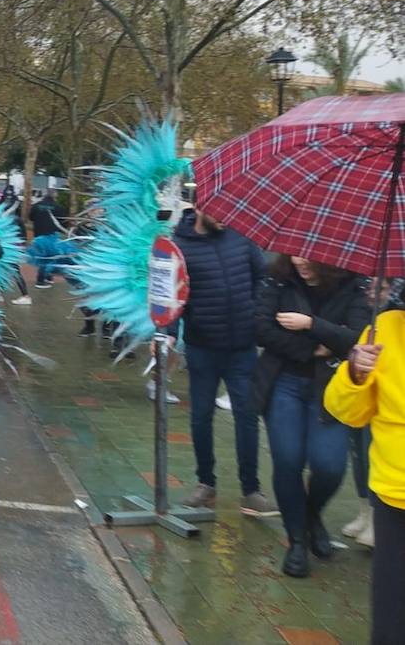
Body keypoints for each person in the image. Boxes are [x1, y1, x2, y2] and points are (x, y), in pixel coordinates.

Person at [254, 255, 371, 577]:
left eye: (309, 258)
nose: (300, 261)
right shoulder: (278, 278)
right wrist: (314, 348)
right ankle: (297, 541)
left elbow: (358, 339)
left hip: (331, 387)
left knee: (330, 466)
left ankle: (309, 515)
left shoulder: (353, 285)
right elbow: (261, 329)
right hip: (283, 383)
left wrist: (310, 324)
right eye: (295, 254)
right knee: (288, 460)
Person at [173, 207, 277, 516]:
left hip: (242, 348)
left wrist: (255, 311)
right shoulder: (179, 246)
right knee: (200, 417)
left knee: (247, 416)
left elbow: (263, 277)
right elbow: (172, 296)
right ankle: (205, 482)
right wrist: (166, 334)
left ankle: (251, 489)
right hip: (202, 349)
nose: (224, 218)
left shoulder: (242, 236)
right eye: (217, 213)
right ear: (200, 207)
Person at [325, 300, 405, 644]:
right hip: (395, 495)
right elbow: (348, 412)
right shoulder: (385, 328)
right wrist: (355, 373)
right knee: (391, 620)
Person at [28, 189, 68, 289]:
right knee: (49, 257)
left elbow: (30, 217)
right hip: (51, 235)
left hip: (38, 235)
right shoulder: (58, 207)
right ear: (55, 196)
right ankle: (41, 280)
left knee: (43, 256)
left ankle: (47, 276)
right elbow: (63, 222)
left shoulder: (36, 206)